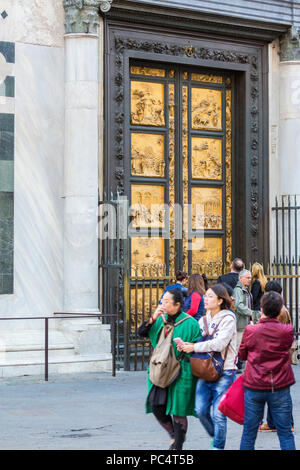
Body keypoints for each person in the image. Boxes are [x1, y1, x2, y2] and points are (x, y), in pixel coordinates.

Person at [138, 288, 201, 450]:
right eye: (162, 301)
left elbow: (199, 347)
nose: (163, 304)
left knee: (179, 410)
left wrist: (189, 347)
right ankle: (174, 436)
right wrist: (153, 317)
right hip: (159, 369)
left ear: (178, 304)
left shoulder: (191, 323)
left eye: (166, 302)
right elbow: (142, 332)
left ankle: (177, 446)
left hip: (182, 370)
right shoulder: (160, 319)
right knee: (156, 405)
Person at [178, 284, 237, 450]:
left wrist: (194, 347)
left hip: (225, 370)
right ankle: (216, 436)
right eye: (206, 296)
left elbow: (219, 344)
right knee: (201, 409)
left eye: (210, 296)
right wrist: (186, 345)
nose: (206, 299)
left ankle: (218, 446)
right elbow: (198, 341)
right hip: (205, 369)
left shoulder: (228, 319)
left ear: (220, 300)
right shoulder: (202, 320)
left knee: (219, 413)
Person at [239, 291, 296, 450]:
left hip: (255, 384)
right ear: (280, 311)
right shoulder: (287, 330)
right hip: (280, 384)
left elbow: (242, 355)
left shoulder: (251, 330)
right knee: (285, 433)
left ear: (262, 309)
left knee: (249, 433)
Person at [259, 280, 295, 432]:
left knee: (281, 392)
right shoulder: (280, 308)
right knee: (273, 391)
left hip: (276, 355)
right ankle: (272, 422)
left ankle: (288, 423)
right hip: (276, 355)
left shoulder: (281, 311)